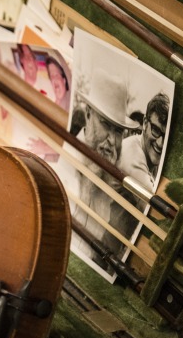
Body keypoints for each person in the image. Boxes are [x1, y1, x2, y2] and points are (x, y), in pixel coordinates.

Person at [67, 68, 139, 261]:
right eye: (106, 124)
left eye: (118, 131)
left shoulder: (117, 190)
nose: (112, 140)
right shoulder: (64, 160)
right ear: (88, 116)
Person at [118, 92, 169, 192]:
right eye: (155, 130)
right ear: (145, 123)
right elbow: (153, 204)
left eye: (166, 136)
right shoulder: (132, 156)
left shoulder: (149, 156)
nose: (160, 143)